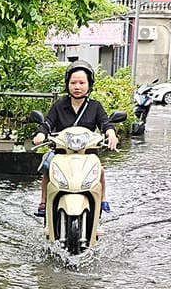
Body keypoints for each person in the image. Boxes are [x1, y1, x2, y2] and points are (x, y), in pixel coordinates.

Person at [35, 63, 117, 218]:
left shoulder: (95, 106)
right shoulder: (59, 105)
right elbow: (47, 123)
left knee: (100, 170)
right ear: (67, 84)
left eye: (82, 83)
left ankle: (102, 199)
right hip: (62, 153)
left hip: (87, 154)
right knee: (49, 168)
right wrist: (40, 134)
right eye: (73, 82)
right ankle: (44, 201)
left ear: (89, 84)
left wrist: (111, 134)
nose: (77, 87)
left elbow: (105, 123)